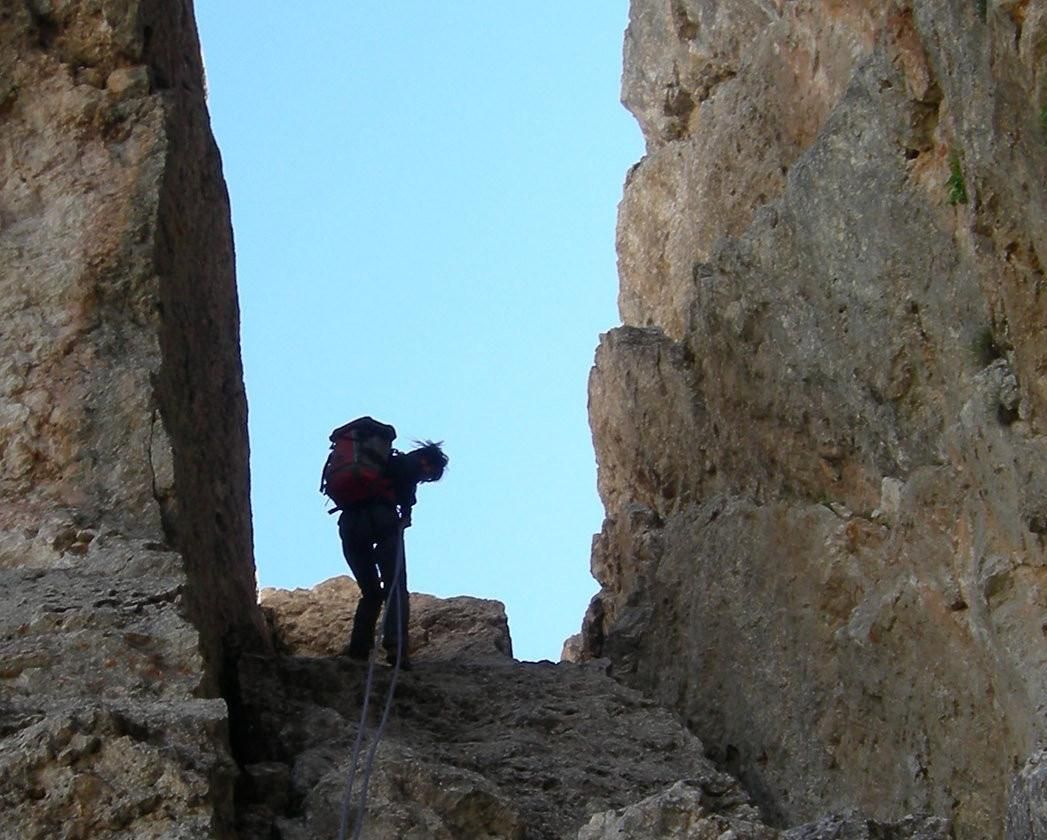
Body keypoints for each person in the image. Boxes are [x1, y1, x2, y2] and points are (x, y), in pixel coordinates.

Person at [338, 441, 448, 668]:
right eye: (428, 475)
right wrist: (406, 512)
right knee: (395, 585)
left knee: (371, 593)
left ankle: (358, 650)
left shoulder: (381, 463)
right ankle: (397, 649)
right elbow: (408, 484)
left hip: (349, 524)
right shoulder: (409, 463)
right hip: (381, 519)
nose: (424, 478)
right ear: (427, 461)